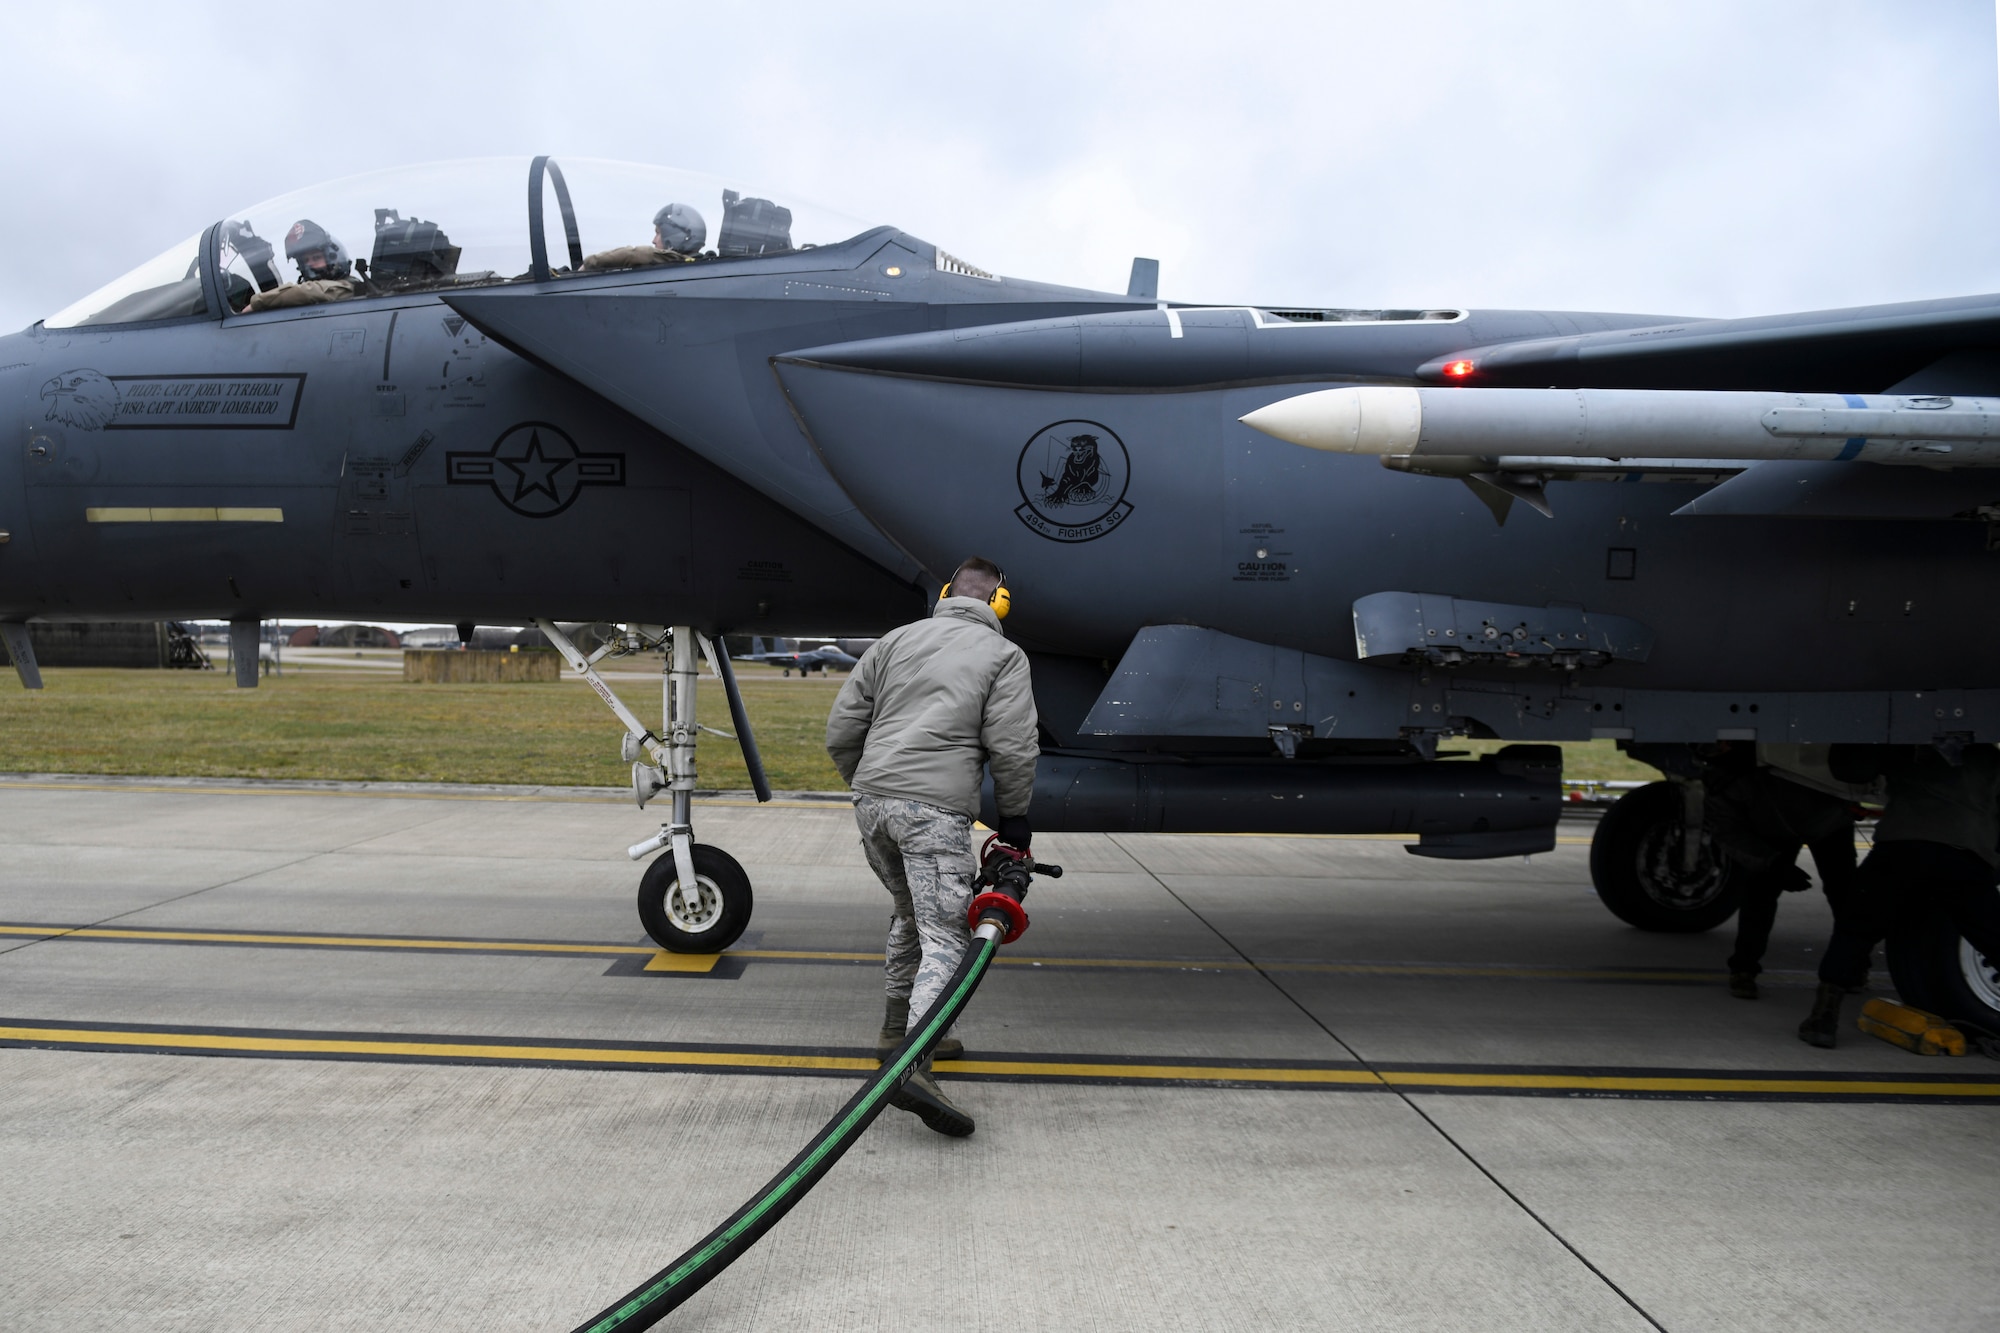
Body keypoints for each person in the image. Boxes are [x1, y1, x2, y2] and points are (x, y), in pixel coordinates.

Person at [825, 557, 1038, 1137]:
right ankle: (914, 1066)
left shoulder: (894, 641)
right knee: (946, 934)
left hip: (872, 804)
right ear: (1000, 603)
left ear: (946, 595)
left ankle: (898, 1034)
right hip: (934, 814)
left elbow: (842, 729)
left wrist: (869, 786)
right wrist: (1014, 822)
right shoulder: (1003, 656)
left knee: (909, 916)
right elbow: (1014, 747)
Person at [1799, 743, 2000, 1047]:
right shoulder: (1987, 756)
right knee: (1992, 935)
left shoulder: (1912, 744)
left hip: (1901, 847)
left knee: (1855, 929)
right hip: (1962, 854)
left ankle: (1823, 1016)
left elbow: (1850, 769)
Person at [1700, 745, 1857, 999]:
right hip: (1781, 828)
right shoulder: (1727, 783)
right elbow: (1730, 834)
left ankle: (1853, 967)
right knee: (1760, 897)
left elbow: (1729, 833)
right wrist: (1773, 864)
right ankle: (1744, 969)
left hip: (1826, 821)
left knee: (1844, 895)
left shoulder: (1781, 757)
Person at [242, 220, 366, 311]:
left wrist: (256, 303)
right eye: (305, 260)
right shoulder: (306, 297)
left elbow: (309, 291)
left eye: (316, 258)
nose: (309, 264)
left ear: (335, 257)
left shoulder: (348, 286)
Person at [578, 202, 708, 272]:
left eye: (658, 233)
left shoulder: (683, 263)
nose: (654, 240)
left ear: (675, 237)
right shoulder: (686, 266)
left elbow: (634, 254)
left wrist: (590, 263)